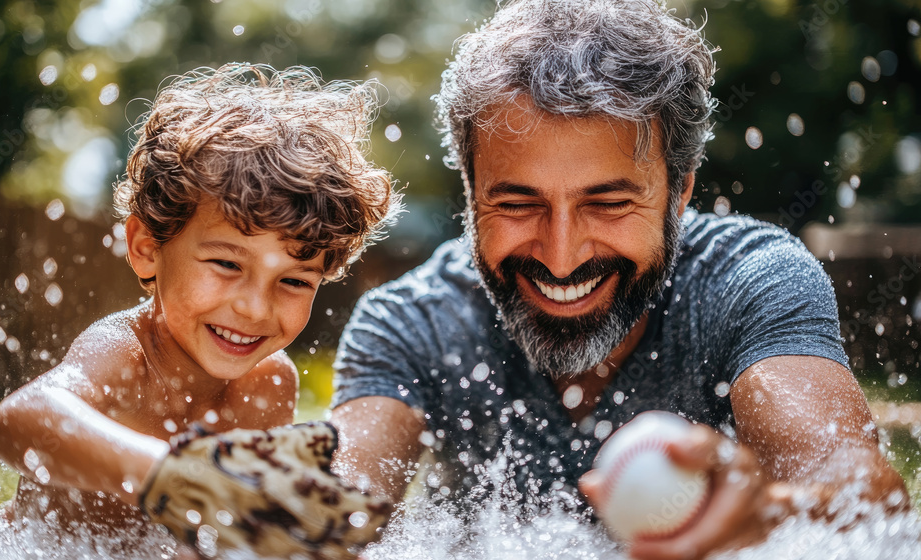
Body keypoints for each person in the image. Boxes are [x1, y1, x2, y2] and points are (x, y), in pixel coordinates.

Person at [328, 1, 909, 558]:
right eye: (517, 203)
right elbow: (333, 516)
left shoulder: (750, 280)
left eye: (607, 203)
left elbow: (858, 488)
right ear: (470, 196)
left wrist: (774, 510)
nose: (560, 257)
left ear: (678, 194)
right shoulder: (409, 322)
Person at [0, 64, 401, 558]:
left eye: (293, 280)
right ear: (146, 247)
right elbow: (18, 420)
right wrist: (174, 476)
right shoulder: (125, 354)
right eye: (227, 264)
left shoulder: (267, 384)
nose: (253, 307)